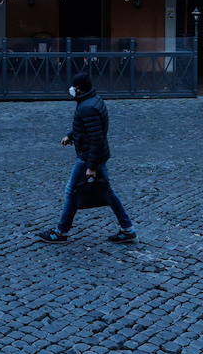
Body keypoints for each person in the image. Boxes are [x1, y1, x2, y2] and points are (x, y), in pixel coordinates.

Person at [38, 71, 135, 244]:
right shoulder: (93, 100)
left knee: (71, 192)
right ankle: (127, 229)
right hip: (96, 156)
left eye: (74, 87)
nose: (71, 90)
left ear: (79, 89)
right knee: (107, 192)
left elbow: (95, 138)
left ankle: (61, 232)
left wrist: (91, 166)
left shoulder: (87, 107)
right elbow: (88, 129)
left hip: (88, 158)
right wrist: (71, 135)